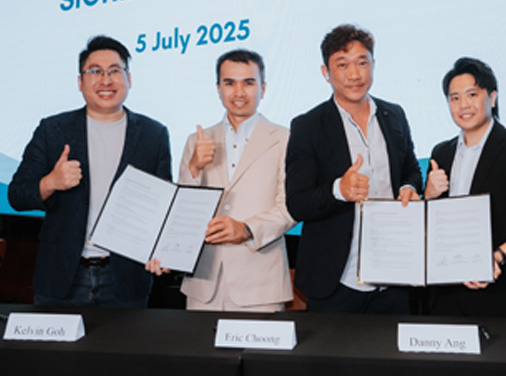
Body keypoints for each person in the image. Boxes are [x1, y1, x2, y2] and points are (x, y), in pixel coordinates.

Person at [9, 35, 172, 307]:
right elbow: (17, 195)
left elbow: (163, 207)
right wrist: (50, 182)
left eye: (114, 71)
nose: (105, 80)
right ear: (80, 82)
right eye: (95, 71)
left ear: (129, 79)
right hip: (62, 276)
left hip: (125, 279)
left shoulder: (153, 134)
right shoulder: (53, 130)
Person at [285, 24, 422, 313]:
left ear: (373, 65)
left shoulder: (394, 114)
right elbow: (297, 203)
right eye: (342, 64)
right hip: (336, 279)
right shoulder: (308, 126)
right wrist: (339, 190)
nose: (355, 74)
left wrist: (409, 187)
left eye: (362, 63)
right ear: (326, 72)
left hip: (394, 273)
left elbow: (410, 167)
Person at [148, 49, 295, 312]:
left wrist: (247, 229)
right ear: (218, 88)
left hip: (261, 284)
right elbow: (182, 210)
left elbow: (290, 207)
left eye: (248, 83)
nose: (239, 92)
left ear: (263, 88)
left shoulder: (286, 139)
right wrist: (194, 167)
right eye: (229, 83)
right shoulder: (197, 141)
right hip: (203, 284)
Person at [424, 57, 506, 317]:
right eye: (454, 98)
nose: (463, 105)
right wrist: (428, 195)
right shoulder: (441, 153)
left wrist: (498, 255)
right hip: (447, 299)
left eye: (472, 94)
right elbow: (432, 225)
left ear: (492, 98)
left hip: (505, 295)